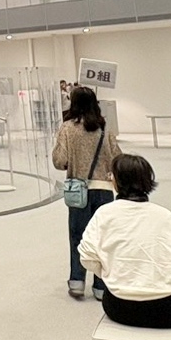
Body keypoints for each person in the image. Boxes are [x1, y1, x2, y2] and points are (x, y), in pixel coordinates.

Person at [79, 153, 171, 340]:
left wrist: (110, 271)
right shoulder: (164, 215)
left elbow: (87, 257)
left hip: (122, 306)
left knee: (131, 317)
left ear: (117, 182)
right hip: (169, 310)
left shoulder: (104, 214)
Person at [53, 86, 123, 300]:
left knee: (78, 236)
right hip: (103, 190)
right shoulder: (104, 128)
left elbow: (60, 160)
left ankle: (77, 281)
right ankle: (101, 286)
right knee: (103, 238)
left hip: (78, 191)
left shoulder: (67, 128)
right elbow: (117, 157)